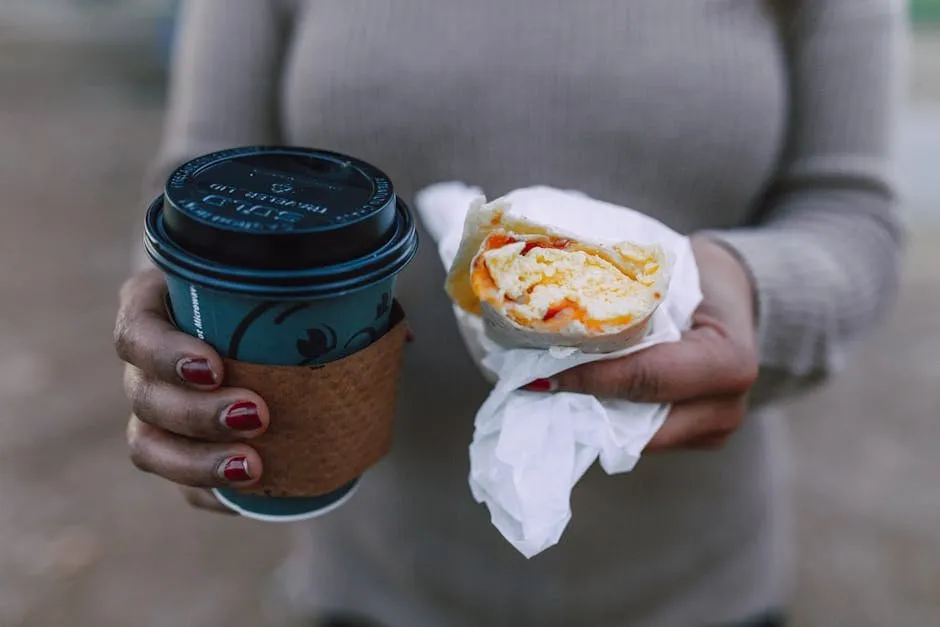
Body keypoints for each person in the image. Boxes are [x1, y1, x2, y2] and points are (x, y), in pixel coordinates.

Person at [113, 1, 904, 626]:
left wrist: (749, 288)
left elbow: (852, 212)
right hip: (380, 580)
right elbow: (200, 182)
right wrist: (184, 332)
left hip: (700, 586)